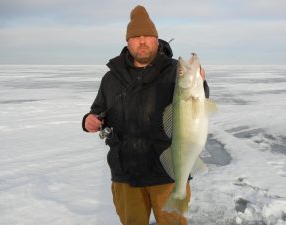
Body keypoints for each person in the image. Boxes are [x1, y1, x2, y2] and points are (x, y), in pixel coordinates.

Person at [82, 5, 209, 225]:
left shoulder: (172, 72)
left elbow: (195, 108)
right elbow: (98, 110)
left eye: (148, 36)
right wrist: (88, 120)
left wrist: (201, 84)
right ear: (128, 42)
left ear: (156, 40)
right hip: (125, 175)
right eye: (136, 37)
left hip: (167, 174)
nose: (142, 41)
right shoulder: (111, 78)